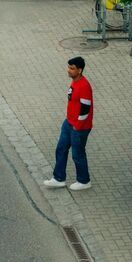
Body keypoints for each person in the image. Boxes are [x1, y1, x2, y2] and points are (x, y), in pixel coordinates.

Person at [43, 57, 94, 191]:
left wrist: (77, 126)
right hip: (69, 123)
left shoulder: (84, 86)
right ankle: (58, 178)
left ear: (80, 70)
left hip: (79, 127)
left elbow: (85, 109)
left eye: (72, 68)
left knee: (77, 154)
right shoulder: (75, 82)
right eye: (69, 67)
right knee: (61, 149)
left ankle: (84, 181)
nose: (69, 70)